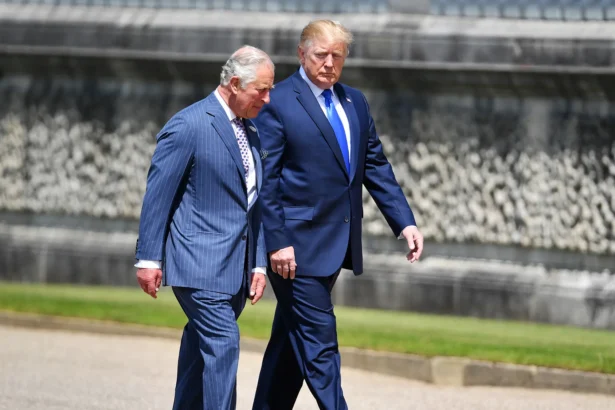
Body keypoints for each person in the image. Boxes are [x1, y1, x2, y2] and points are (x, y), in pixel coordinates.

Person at [251, 20, 424, 410]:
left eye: (337, 56)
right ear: (301, 54)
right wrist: (277, 242)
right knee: (320, 344)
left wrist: (405, 222)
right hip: (294, 251)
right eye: (320, 55)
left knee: (290, 345)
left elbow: (374, 165)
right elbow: (267, 180)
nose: (329, 63)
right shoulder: (277, 101)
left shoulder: (354, 102)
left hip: (337, 243)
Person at [134, 45, 275, 410]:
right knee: (224, 344)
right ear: (234, 84)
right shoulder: (189, 124)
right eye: (261, 89)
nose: (267, 98)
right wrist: (148, 258)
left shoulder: (251, 130)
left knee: (200, 351)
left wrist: (258, 263)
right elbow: (158, 196)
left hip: (235, 269)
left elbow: (253, 203)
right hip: (198, 264)